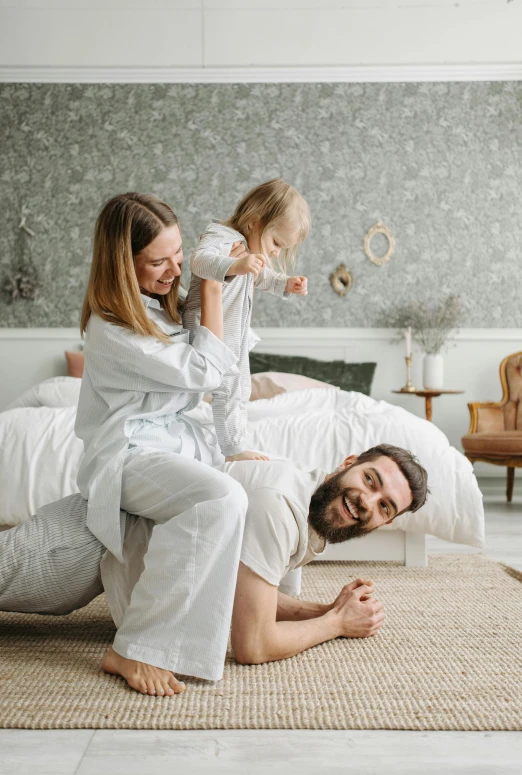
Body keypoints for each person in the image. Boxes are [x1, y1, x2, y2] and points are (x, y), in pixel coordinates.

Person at [0, 444, 428, 693]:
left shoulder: (312, 513)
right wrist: (335, 623)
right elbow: (254, 644)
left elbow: (244, 595)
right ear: (348, 463)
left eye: (384, 507)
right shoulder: (279, 505)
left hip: (106, 568)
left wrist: (323, 609)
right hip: (87, 542)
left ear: (384, 524)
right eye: (371, 481)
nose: (366, 503)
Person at [73, 192, 250, 696]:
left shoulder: (160, 311)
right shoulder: (110, 329)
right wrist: (212, 283)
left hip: (168, 445)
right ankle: (132, 650)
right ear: (123, 265)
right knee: (222, 498)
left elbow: (220, 359)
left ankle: (264, 613)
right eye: (158, 261)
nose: (175, 270)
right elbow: (204, 372)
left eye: (179, 255)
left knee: (253, 482)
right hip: (126, 455)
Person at [183, 178, 310, 462]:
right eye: (276, 242)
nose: (276, 252)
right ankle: (233, 449)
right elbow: (199, 261)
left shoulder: (248, 252)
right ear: (254, 222)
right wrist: (233, 265)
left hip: (233, 331)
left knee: (241, 387)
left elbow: (262, 275)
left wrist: (285, 283)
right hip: (208, 328)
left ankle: (234, 443)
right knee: (227, 386)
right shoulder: (221, 236)